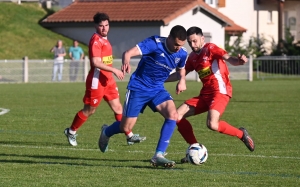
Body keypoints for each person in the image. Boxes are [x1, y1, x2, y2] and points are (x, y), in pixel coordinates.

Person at [98, 25, 188, 168]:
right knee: (126, 127)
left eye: (181, 45)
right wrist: (126, 61)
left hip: (157, 89)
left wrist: (182, 80)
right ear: (169, 37)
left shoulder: (182, 53)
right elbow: (128, 53)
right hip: (138, 88)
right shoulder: (154, 43)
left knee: (173, 115)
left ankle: (158, 155)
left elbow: (181, 70)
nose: (178, 48)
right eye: (176, 44)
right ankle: (106, 132)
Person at [166, 26, 255, 163]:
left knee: (212, 124)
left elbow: (228, 58)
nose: (193, 45)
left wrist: (239, 62)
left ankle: (241, 134)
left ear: (202, 38)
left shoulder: (210, 48)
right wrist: (160, 79)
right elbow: (180, 74)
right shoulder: (192, 57)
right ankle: (194, 148)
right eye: (190, 42)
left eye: (195, 41)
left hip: (220, 92)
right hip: (204, 95)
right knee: (176, 116)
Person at [64, 12, 139, 146]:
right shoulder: (96, 41)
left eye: (106, 25)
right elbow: (96, 62)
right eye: (101, 26)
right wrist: (115, 70)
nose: (104, 28)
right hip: (96, 81)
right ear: (95, 26)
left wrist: (120, 66)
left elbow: (106, 60)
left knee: (118, 108)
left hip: (108, 80)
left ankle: (129, 135)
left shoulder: (105, 39)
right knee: (89, 110)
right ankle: (71, 131)